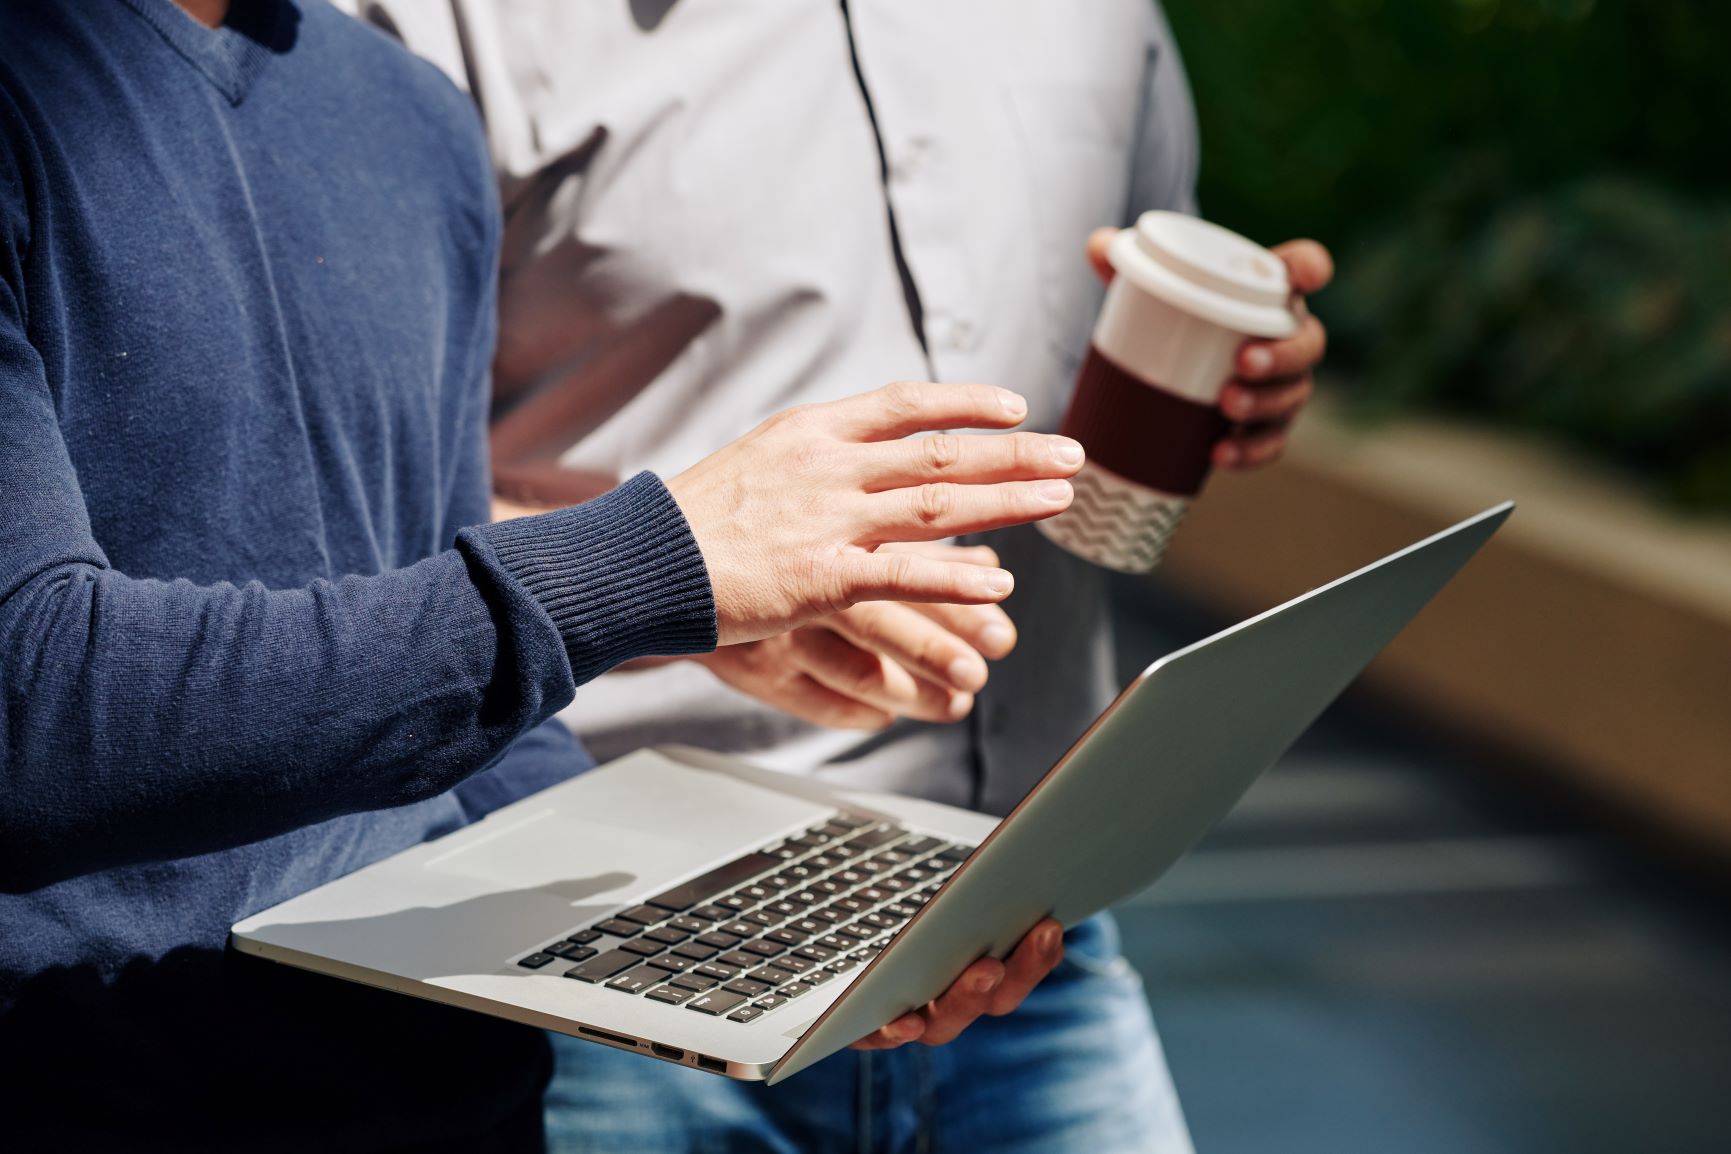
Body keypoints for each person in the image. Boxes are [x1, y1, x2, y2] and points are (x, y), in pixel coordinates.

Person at [0, 2, 1084, 1149]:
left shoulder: (409, 115)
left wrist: (728, 943)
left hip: (466, 1101)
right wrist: (658, 556)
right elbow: (34, 707)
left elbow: (458, 691)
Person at [356, 1, 1335, 1150]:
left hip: (1026, 921)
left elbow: (1136, 294)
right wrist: (680, 593)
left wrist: (1231, 370)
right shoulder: (438, 23)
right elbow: (338, 497)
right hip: (618, 955)